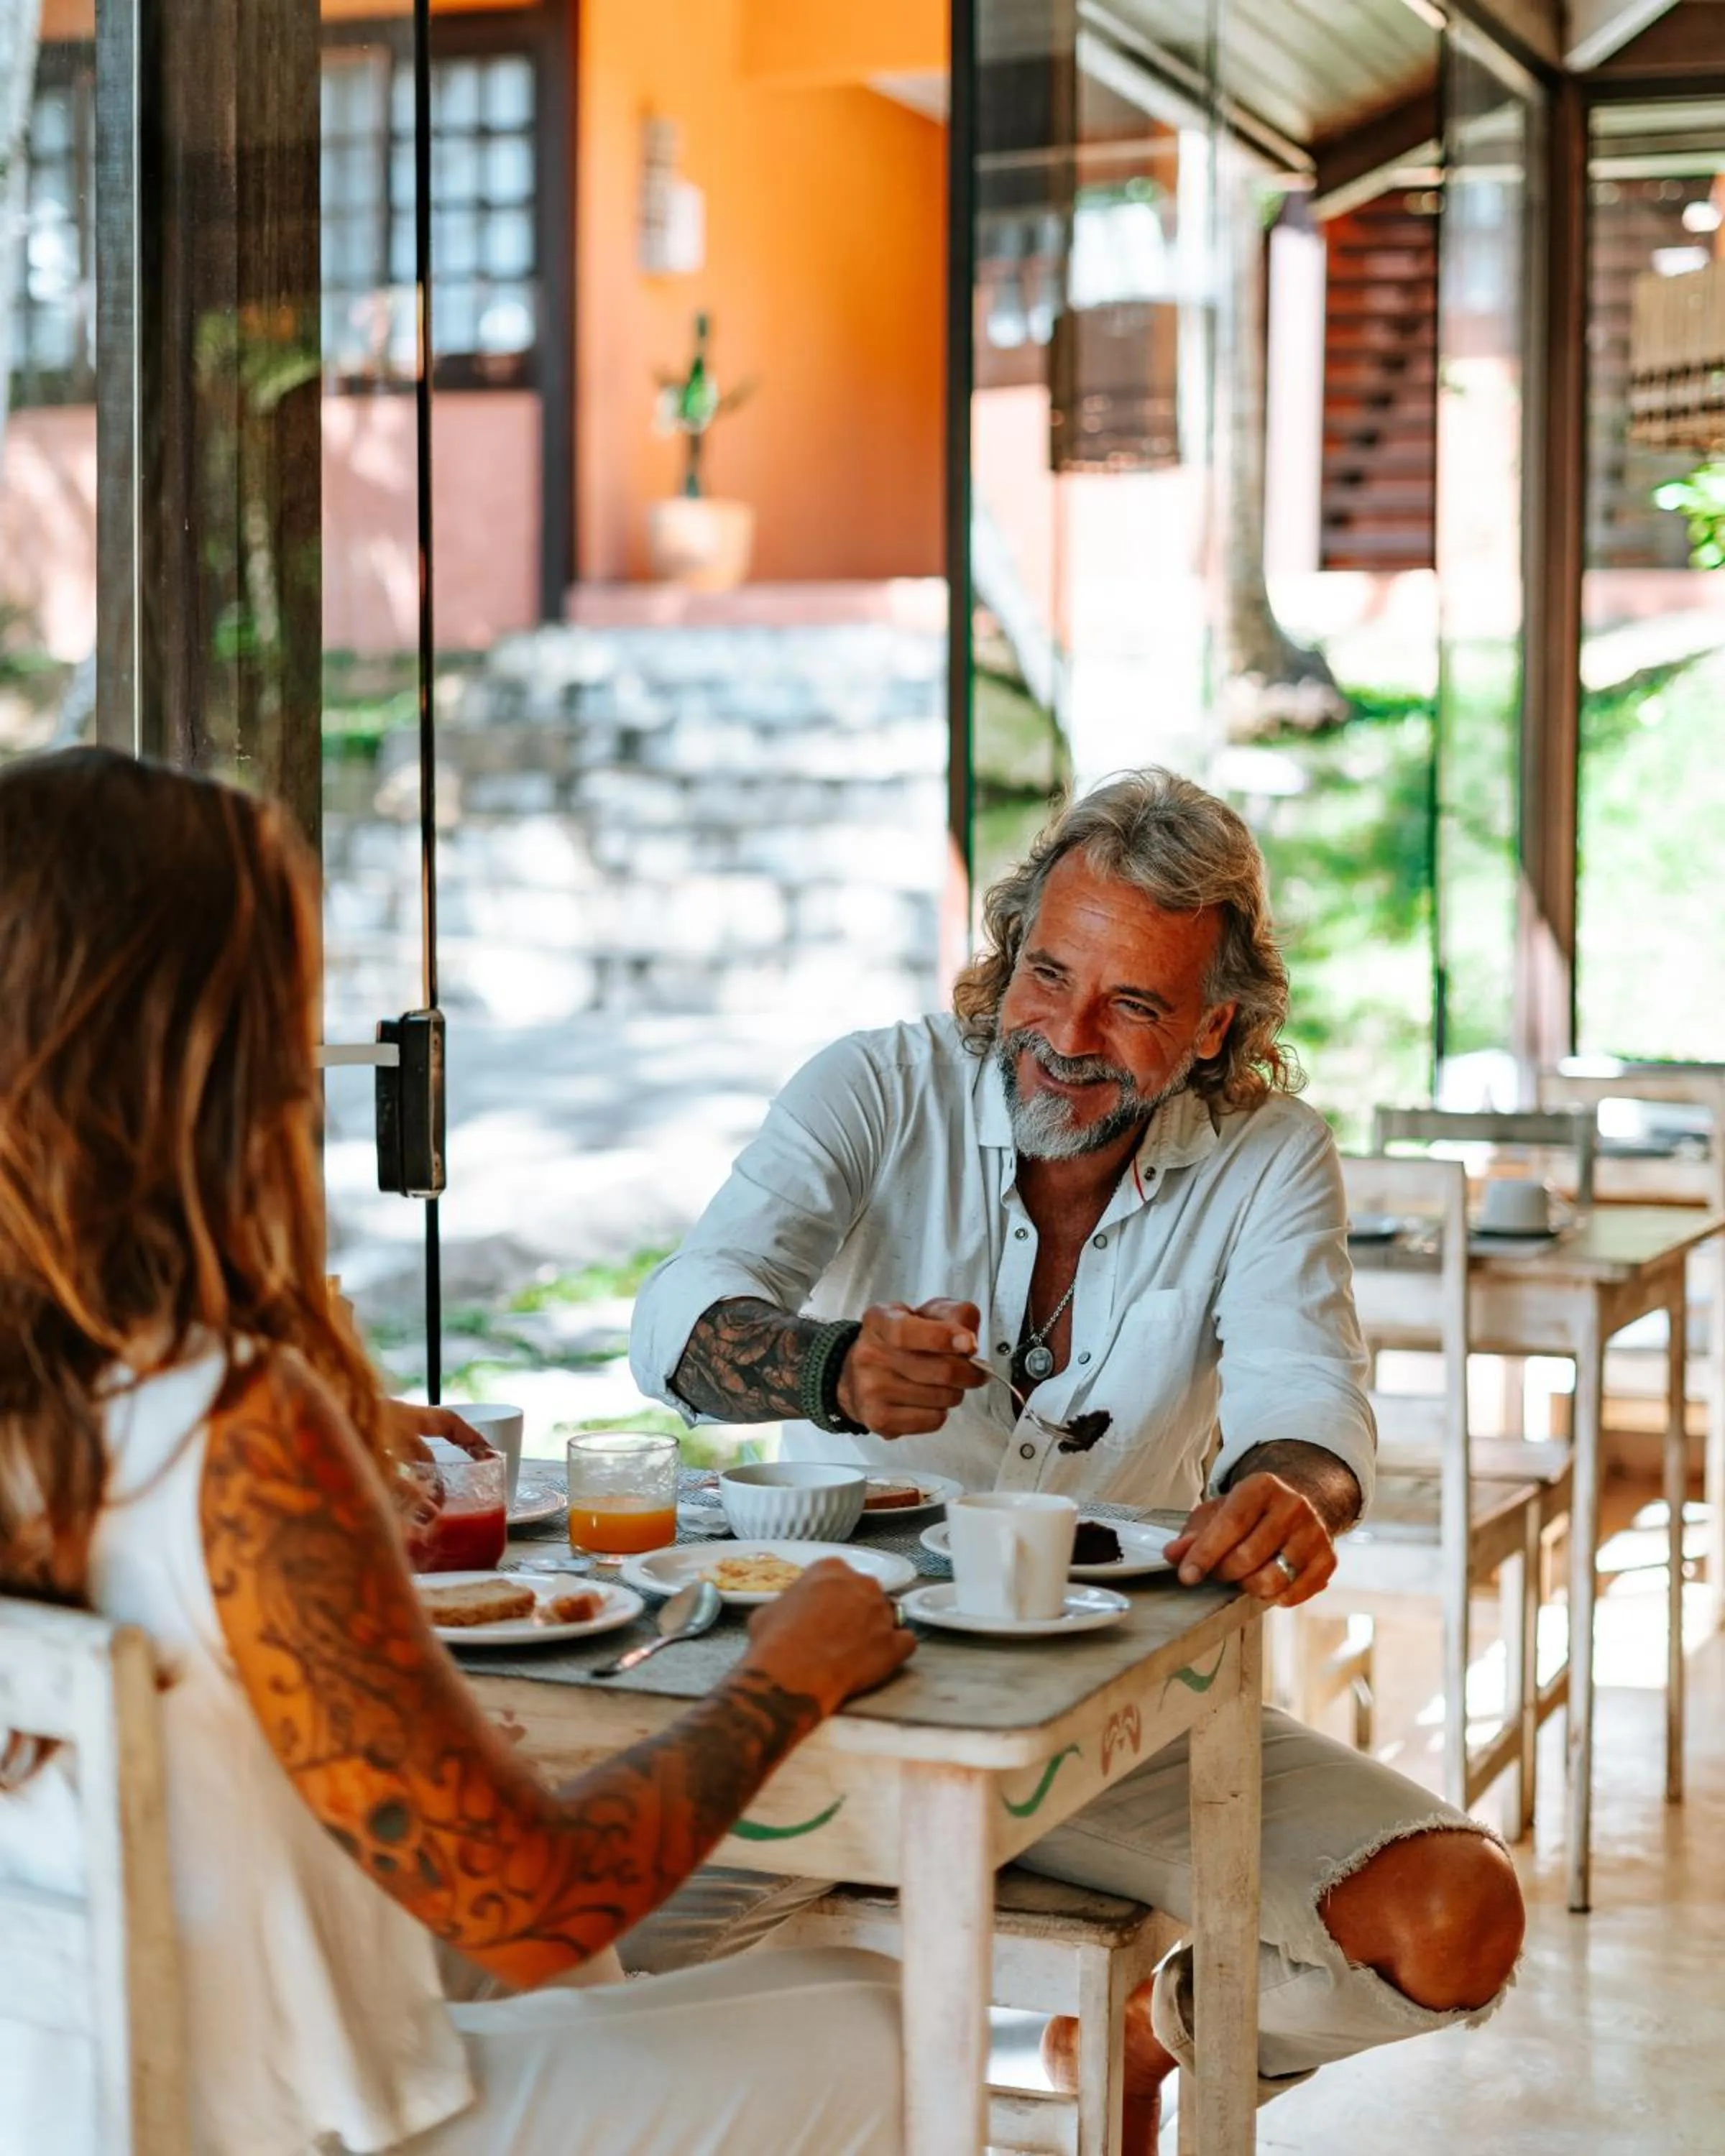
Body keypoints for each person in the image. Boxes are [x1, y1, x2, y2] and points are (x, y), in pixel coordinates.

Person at [0, 748, 914, 2156]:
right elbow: (536, 1903)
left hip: (62, 2100)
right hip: (271, 2125)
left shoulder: (85, 1404)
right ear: (199, 1059)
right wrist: (794, 1671)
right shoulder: (232, 1425)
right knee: (882, 2029)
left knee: (576, 1971)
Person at [632, 767, 1526, 2147]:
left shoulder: (1267, 1154)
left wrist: (1286, 1495)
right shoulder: (878, 1085)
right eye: (1048, 973)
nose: (1066, 1033)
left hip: (1112, 1719)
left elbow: (1310, 1414)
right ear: (1008, 951)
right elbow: (675, 1321)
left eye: (1136, 1004)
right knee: (560, 1957)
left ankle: (1137, 2029)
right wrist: (827, 1368)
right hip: (820, 1710)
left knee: (1456, 1917)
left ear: (1217, 1023)